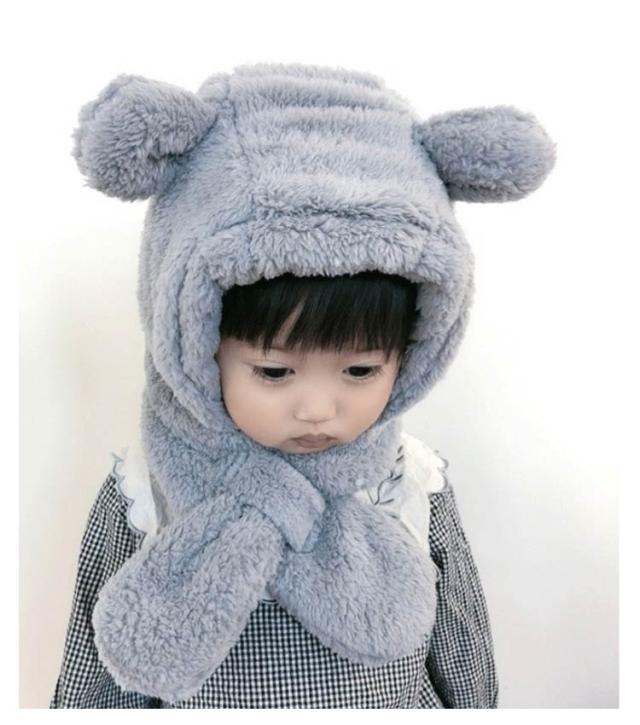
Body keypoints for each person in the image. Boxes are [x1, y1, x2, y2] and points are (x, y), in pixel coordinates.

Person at [50, 61, 556, 708]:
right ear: (196, 345)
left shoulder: (409, 479)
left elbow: (460, 637)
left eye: (361, 370)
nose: (318, 409)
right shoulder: (145, 488)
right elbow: (94, 668)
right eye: (274, 371)